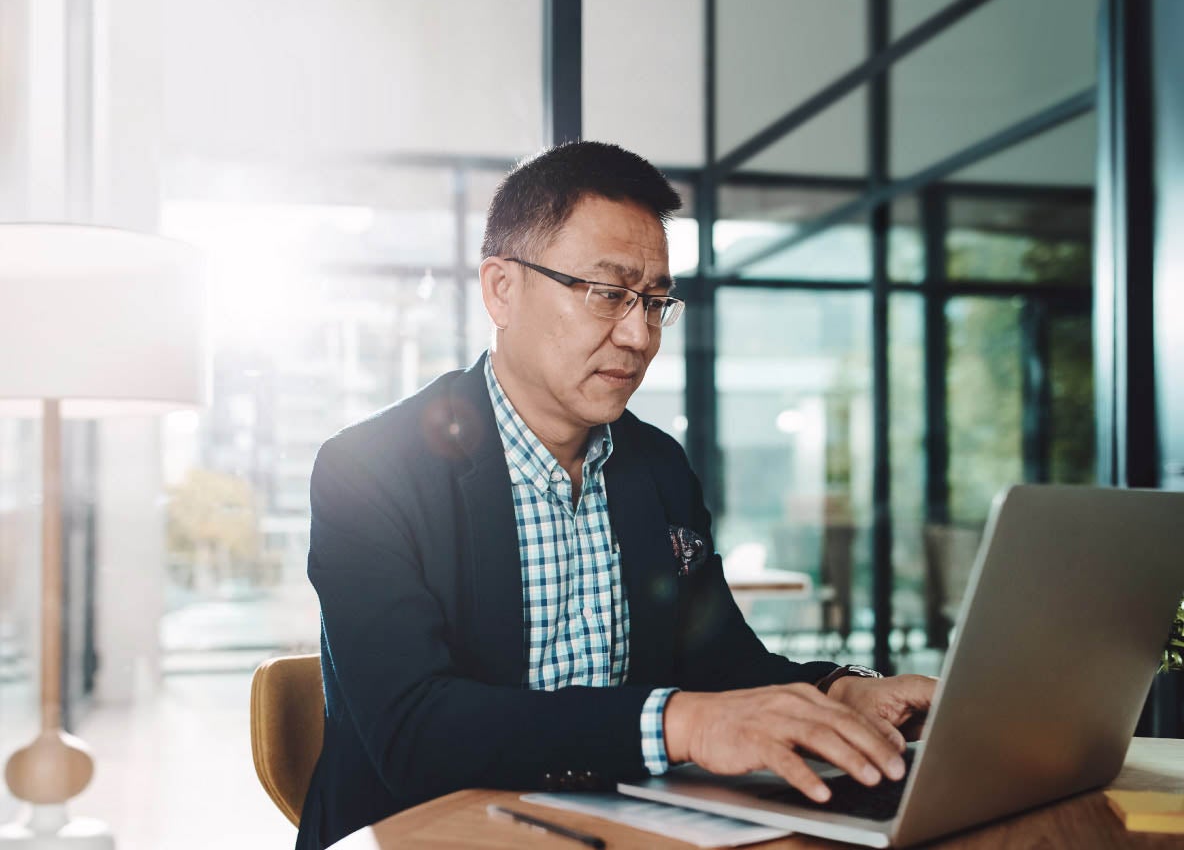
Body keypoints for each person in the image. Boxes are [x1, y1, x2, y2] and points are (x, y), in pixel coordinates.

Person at [296, 141, 936, 850]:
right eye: (607, 294)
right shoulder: (368, 470)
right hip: (423, 831)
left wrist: (842, 691)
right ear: (502, 289)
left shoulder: (655, 465)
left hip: (621, 829)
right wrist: (682, 724)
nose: (638, 336)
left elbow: (722, 662)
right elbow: (415, 731)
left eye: (656, 301)